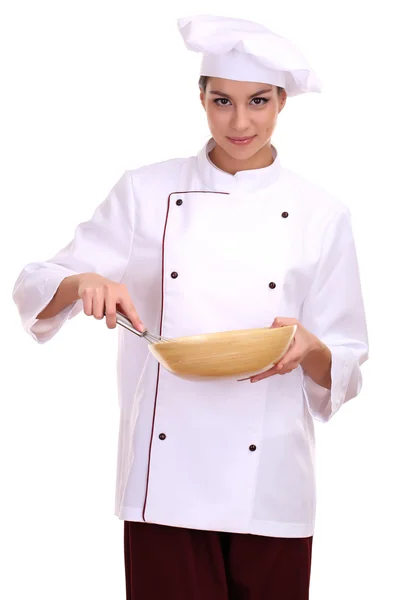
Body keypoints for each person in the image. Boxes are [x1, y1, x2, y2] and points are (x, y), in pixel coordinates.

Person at [12, 14, 369, 600]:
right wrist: (84, 285)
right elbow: (36, 281)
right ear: (200, 98)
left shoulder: (320, 214)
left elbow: (348, 365)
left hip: (272, 474)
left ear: (282, 101)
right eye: (222, 100)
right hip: (166, 477)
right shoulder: (145, 191)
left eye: (258, 101)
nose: (240, 121)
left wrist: (311, 347)